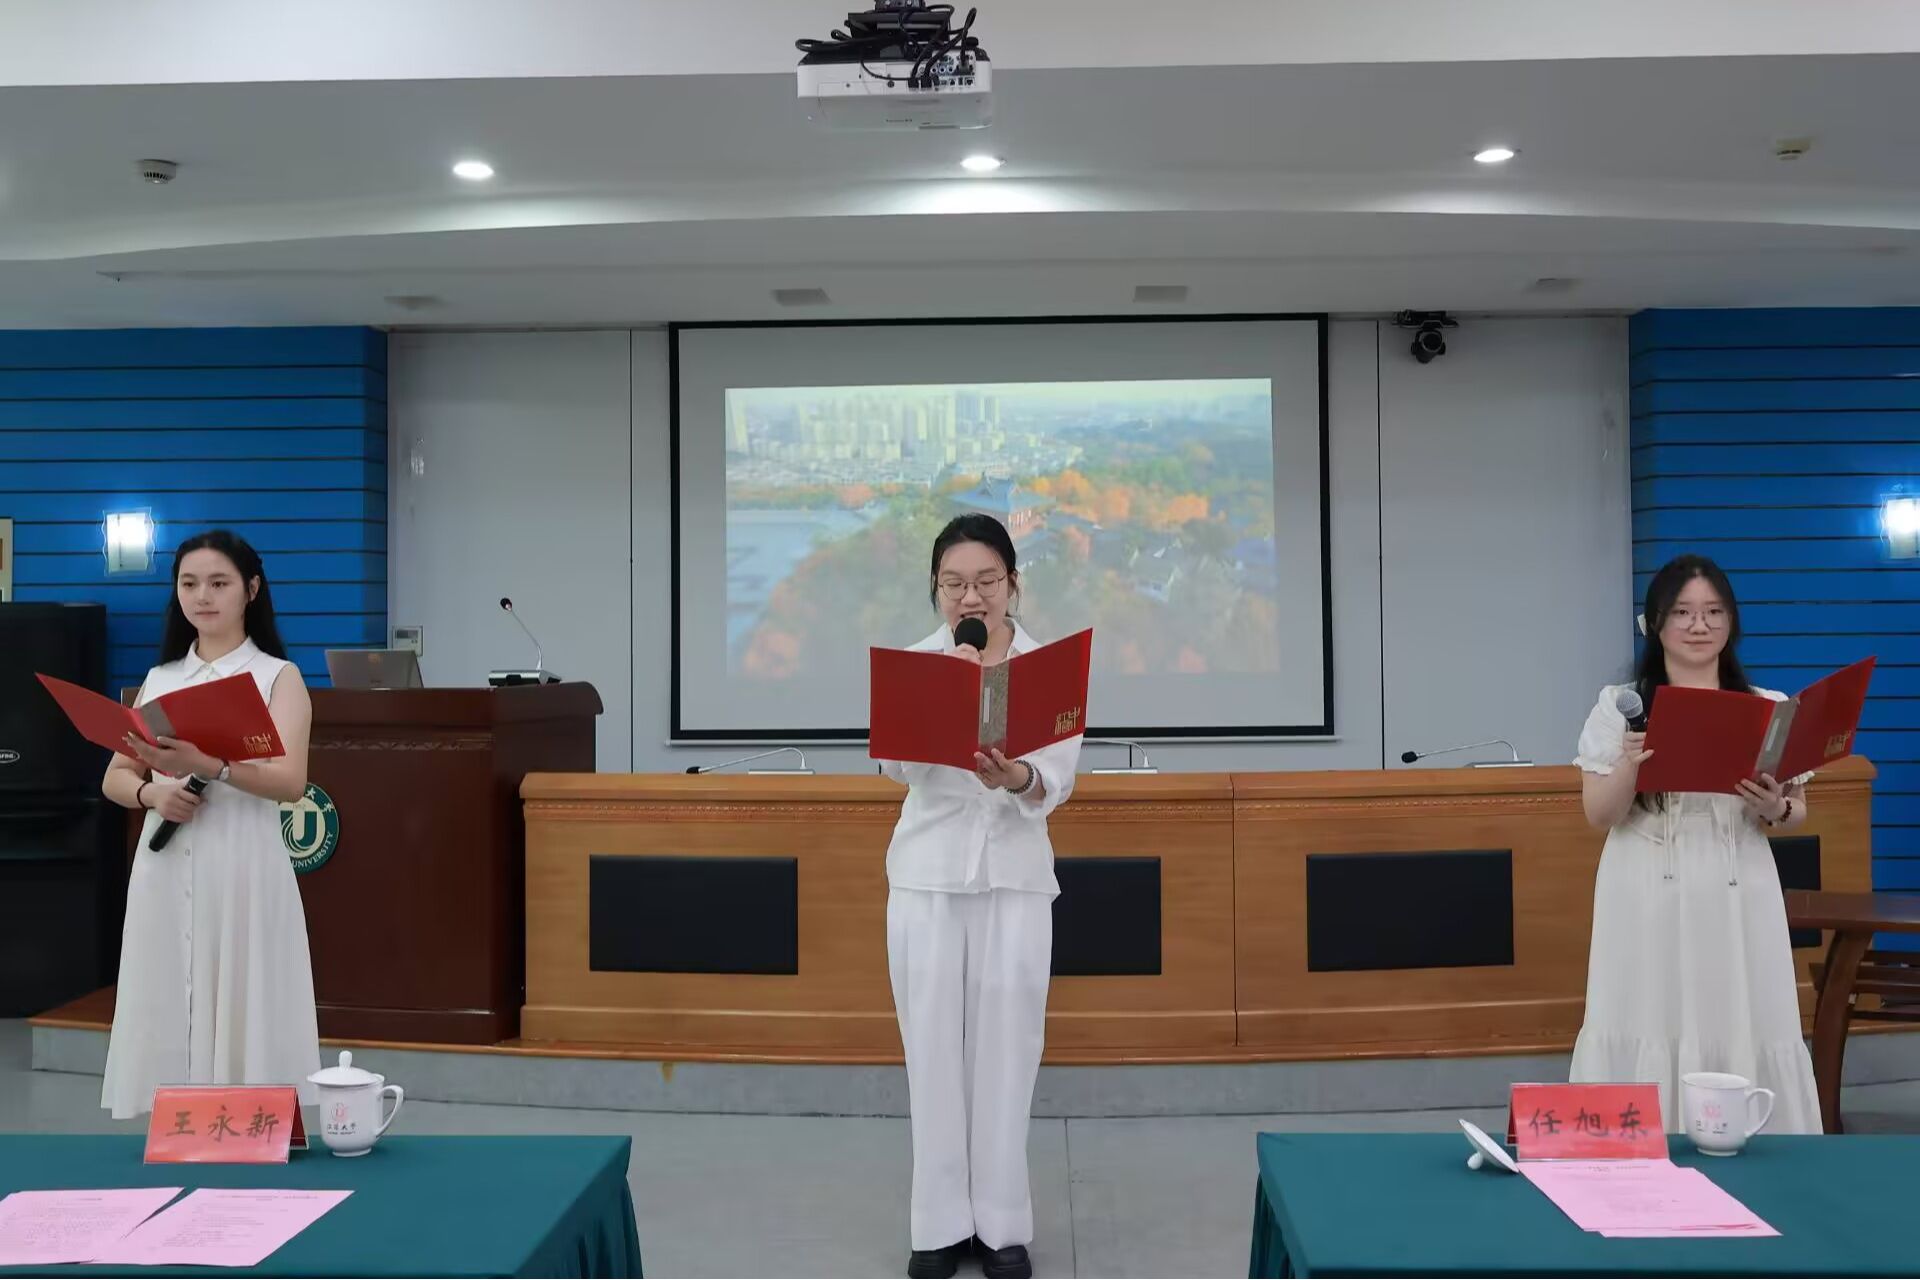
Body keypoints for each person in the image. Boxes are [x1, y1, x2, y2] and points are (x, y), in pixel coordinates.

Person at [877, 514, 1083, 1280]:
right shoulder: (916, 662)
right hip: (926, 877)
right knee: (931, 1051)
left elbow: (1056, 777)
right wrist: (942, 695)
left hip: (1015, 879)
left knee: (1008, 1051)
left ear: (1013, 583)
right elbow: (895, 768)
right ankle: (937, 1226)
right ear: (936, 590)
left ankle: (1000, 1226)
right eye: (954, 583)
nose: (972, 596)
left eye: (987, 580)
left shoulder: (1047, 666)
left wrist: (1017, 776)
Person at [1571, 553, 1820, 1133]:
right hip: (1644, 880)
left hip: (1738, 883)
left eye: (1713, 612)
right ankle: (1638, 1145)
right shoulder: (1620, 706)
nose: (1699, 625)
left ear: (1731, 621)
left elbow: (1797, 811)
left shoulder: (1767, 705)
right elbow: (1598, 814)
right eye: (1682, 612)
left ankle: (1748, 1137)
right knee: (1644, 1007)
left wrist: (1774, 807)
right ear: (1655, 623)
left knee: (1741, 1008)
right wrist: (1631, 765)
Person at [98, 530, 322, 1120]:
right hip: (166, 861)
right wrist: (152, 793)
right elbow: (115, 777)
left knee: (245, 984)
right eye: (189, 584)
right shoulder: (159, 679)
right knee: (166, 981)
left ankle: (249, 1118)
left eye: (219, 583)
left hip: (243, 859)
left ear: (251, 589)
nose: (203, 596)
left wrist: (212, 765)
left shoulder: (277, 677)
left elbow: (290, 782)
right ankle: (181, 1121)